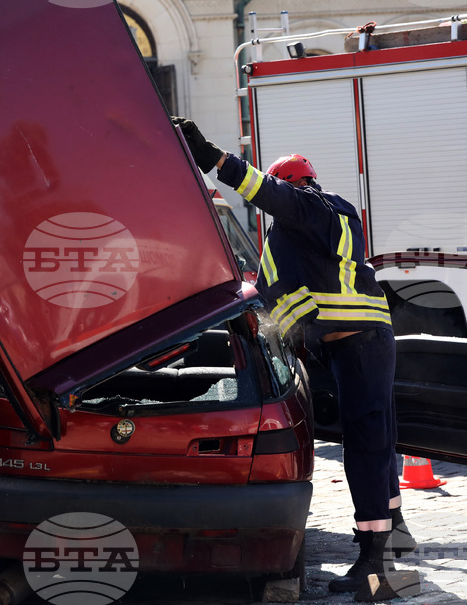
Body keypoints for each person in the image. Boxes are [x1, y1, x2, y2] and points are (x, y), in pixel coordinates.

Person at [173, 117, 416, 595]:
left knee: (366, 448)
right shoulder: (284, 239)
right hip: (341, 350)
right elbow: (265, 298)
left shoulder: (320, 207)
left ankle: (377, 565)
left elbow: (275, 197)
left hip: (362, 343)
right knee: (374, 443)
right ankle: (393, 535)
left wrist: (217, 160)